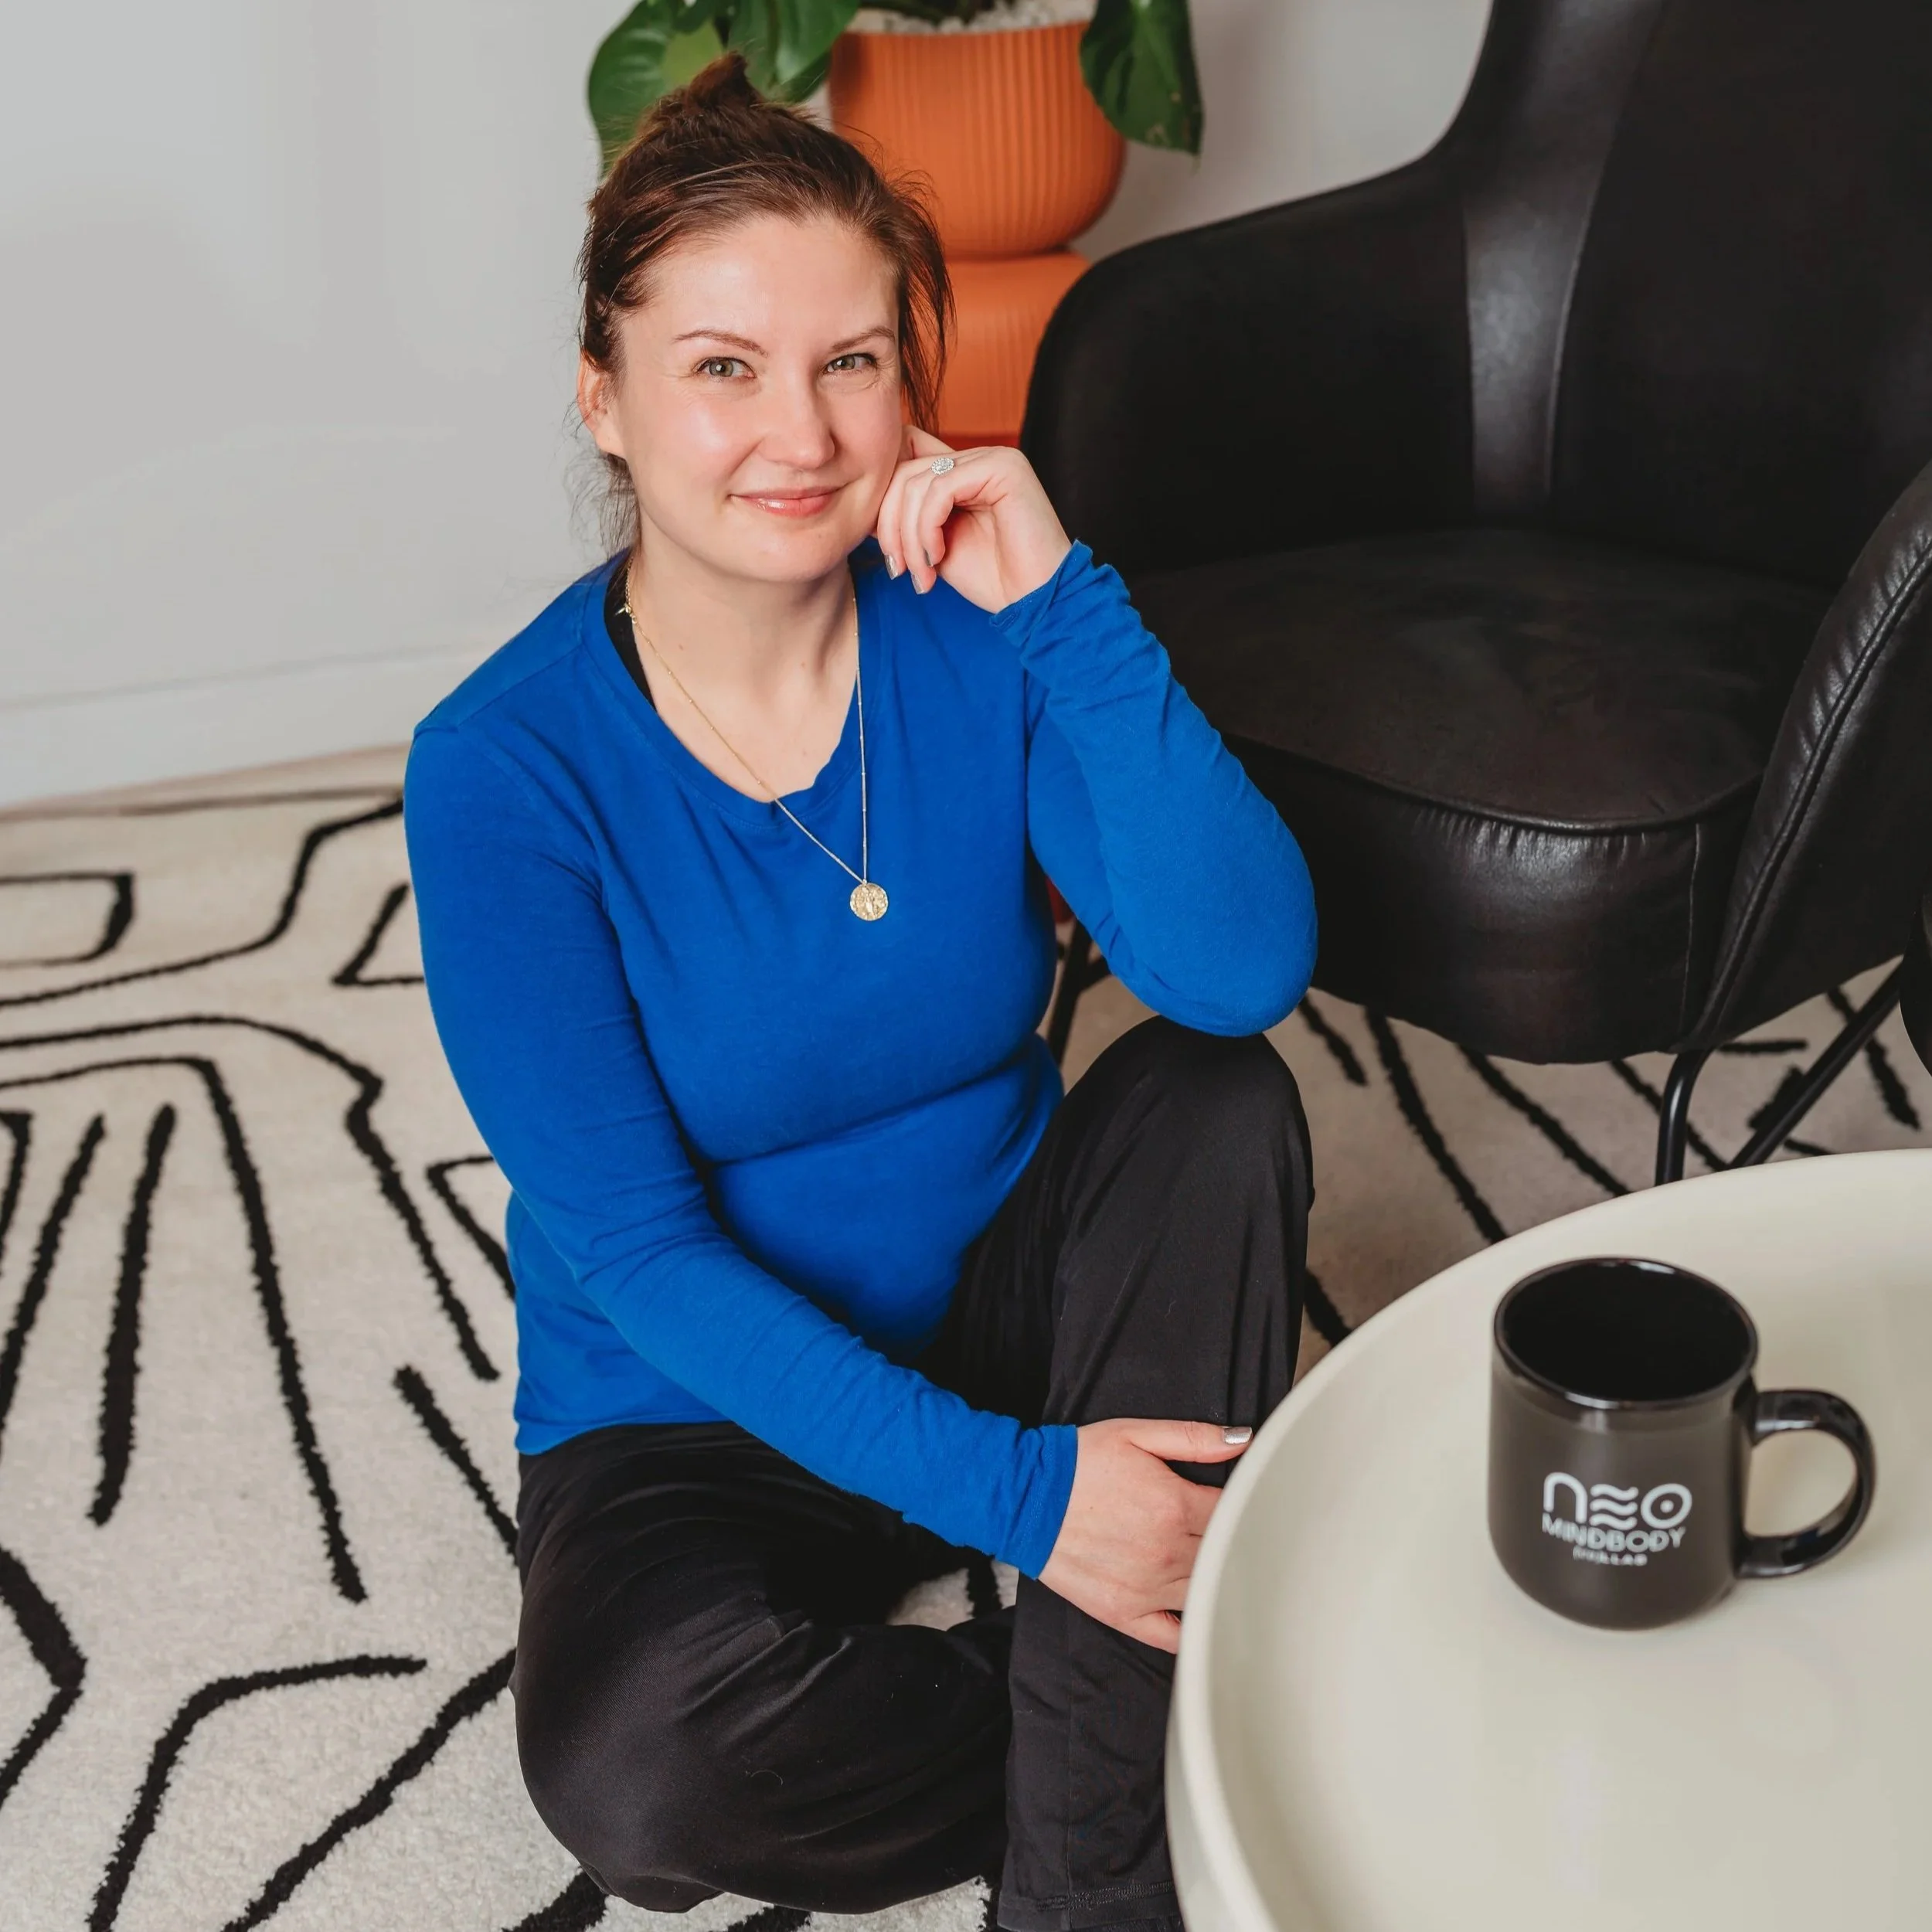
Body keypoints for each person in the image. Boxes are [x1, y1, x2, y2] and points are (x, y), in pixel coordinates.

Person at [403, 52, 1318, 1932]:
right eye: (721, 366)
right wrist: (1031, 1501)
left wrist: (1063, 599)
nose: (799, 432)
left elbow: (1239, 968)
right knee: (644, 1778)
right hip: (688, 1397)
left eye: (851, 362)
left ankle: (1084, 1887)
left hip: (1003, 1299)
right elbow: (643, 1256)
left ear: (914, 381)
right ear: (605, 391)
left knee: (1216, 1099)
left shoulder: (982, 618)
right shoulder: (499, 769)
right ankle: (1171, 1687)